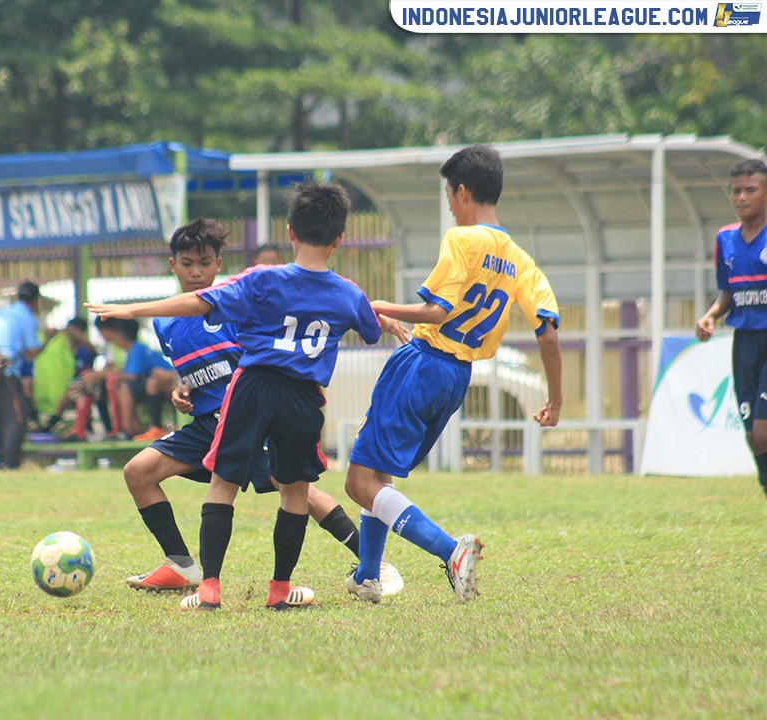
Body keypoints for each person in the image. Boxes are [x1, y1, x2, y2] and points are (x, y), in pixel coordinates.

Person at [89, 181, 401, 611]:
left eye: (204, 263)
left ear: (289, 231)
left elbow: (201, 304)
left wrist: (131, 309)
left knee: (250, 488)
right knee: (149, 472)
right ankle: (197, 570)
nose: (196, 272)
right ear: (339, 239)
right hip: (271, 404)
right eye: (187, 263)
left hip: (249, 398)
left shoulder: (252, 287)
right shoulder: (345, 291)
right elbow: (366, 320)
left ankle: (370, 563)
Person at [343, 144, 563, 605]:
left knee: (359, 483)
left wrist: (376, 306)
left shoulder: (462, 239)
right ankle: (367, 577)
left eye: (448, 196)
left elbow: (437, 311)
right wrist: (556, 400)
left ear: (462, 192)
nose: (449, 205)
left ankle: (450, 551)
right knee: (379, 475)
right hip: (456, 376)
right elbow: (547, 332)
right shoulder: (520, 259)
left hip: (424, 362)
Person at [695, 157, 767, 498]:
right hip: (744, 344)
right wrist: (711, 315)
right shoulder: (725, 240)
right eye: (736, 191)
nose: (741, 198)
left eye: (750, 190)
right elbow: (729, 291)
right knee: (753, 434)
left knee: (763, 431)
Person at [0, 280, 47, 469]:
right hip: (7, 371)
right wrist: (48, 340)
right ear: (36, 301)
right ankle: (10, 461)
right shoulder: (26, 317)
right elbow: (31, 352)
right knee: (16, 417)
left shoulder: (2, 314)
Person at [94, 316, 175, 440]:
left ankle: (130, 429)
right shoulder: (133, 350)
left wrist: (105, 374)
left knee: (125, 386)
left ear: (120, 335)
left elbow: (133, 376)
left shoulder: (137, 348)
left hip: (167, 383)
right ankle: (133, 429)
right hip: (152, 384)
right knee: (123, 385)